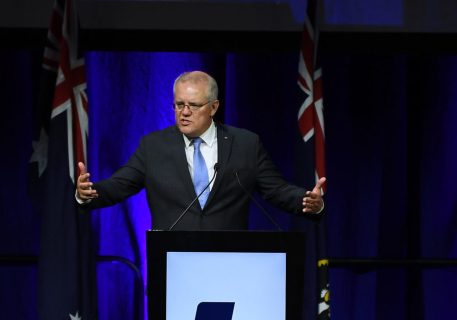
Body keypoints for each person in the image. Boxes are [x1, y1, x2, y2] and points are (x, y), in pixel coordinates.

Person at [75, 70, 325, 231]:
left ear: (213, 107)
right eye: (179, 104)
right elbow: (120, 185)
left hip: (228, 263)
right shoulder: (154, 146)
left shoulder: (245, 144)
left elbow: (276, 190)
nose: (184, 112)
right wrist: (89, 193)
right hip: (171, 263)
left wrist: (307, 201)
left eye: (193, 105)